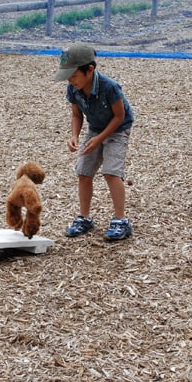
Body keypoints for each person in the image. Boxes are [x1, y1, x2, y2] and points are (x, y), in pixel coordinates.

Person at [53, 43, 135, 241]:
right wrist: (74, 135)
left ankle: (120, 220)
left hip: (118, 129)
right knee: (83, 171)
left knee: (111, 172)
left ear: (90, 70)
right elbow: (76, 115)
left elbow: (119, 116)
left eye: (73, 75)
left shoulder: (110, 87)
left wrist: (99, 139)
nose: (71, 81)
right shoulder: (73, 89)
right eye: (68, 76)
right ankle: (84, 217)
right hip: (95, 128)